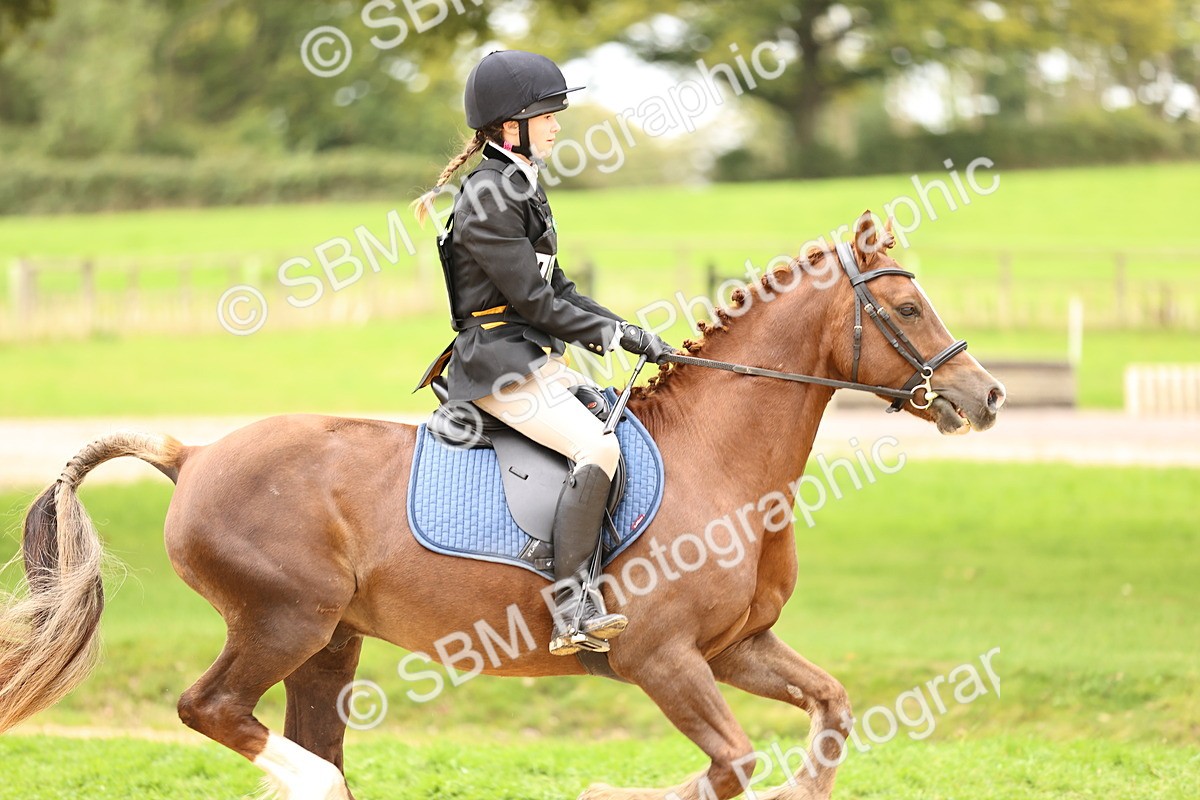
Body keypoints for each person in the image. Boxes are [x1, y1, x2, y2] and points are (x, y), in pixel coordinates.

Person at [413, 50, 676, 656]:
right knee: (596, 445)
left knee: (618, 425)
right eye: (549, 115)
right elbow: (533, 302)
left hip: (530, 357)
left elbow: (560, 290)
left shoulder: (518, 186)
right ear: (513, 126)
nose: (559, 126)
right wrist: (613, 338)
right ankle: (571, 604)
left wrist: (631, 330)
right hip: (498, 364)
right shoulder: (486, 198)